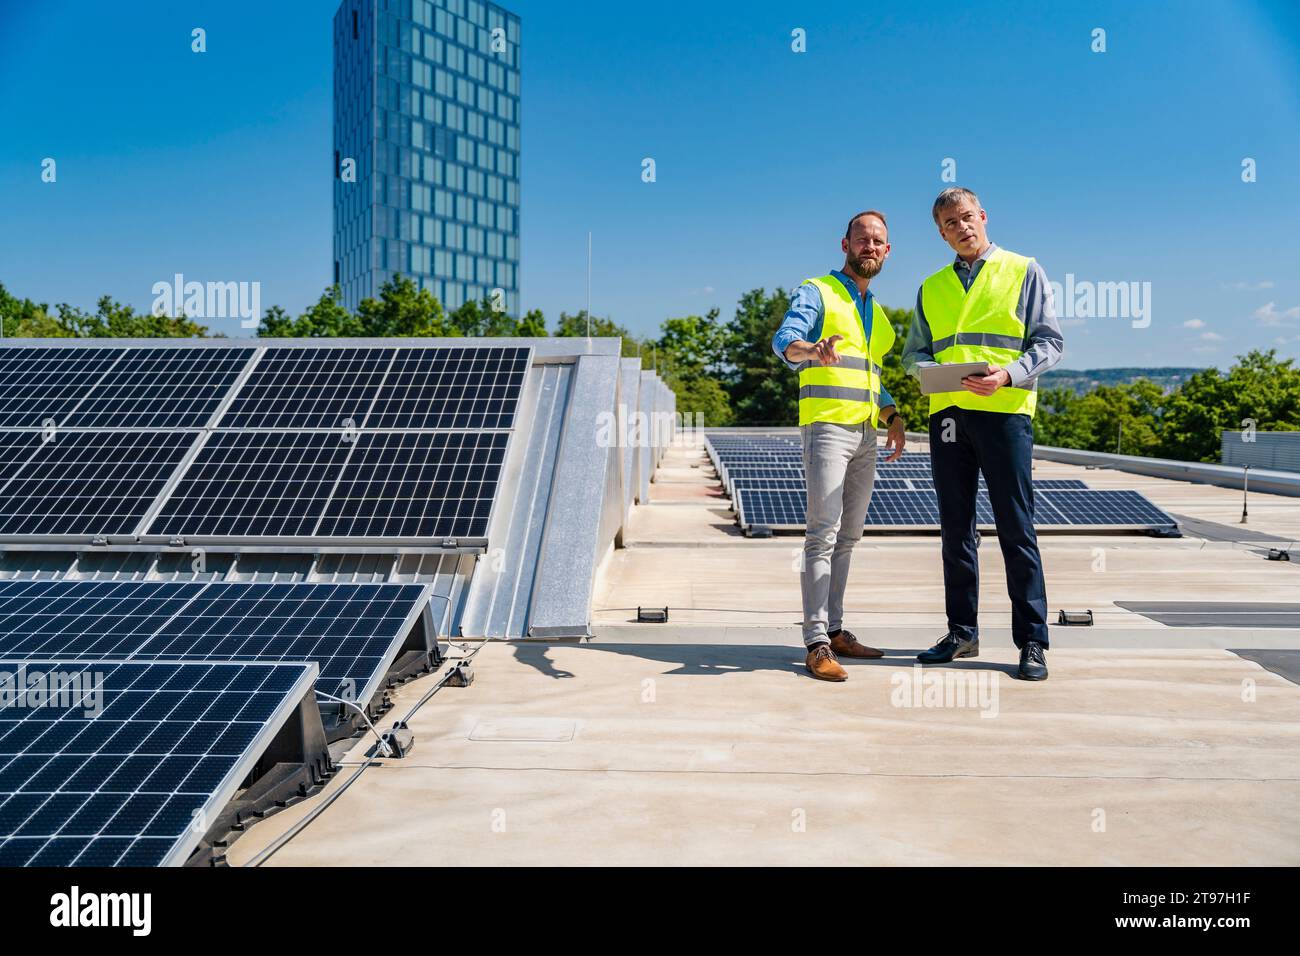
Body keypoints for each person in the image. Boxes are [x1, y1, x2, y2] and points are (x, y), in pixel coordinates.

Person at [902, 187, 1065, 680]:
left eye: (968, 218)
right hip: (949, 414)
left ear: (983, 216)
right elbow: (913, 353)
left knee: (1016, 526)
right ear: (941, 232)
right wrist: (927, 372)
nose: (962, 228)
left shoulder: (1023, 269)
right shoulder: (931, 287)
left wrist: (1008, 375)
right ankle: (962, 632)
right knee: (956, 528)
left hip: (1005, 412)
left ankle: (1032, 641)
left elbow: (1050, 341)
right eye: (951, 223)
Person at [772, 210, 906, 682]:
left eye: (879, 242)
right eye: (862, 239)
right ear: (845, 244)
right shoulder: (818, 291)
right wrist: (810, 350)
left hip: (866, 434)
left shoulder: (879, 316)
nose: (870, 246)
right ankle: (816, 643)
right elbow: (784, 340)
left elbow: (872, 378)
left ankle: (837, 629)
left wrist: (893, 416)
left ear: (887, 252)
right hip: (827, 429)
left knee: (849, 538)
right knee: (822, 535)